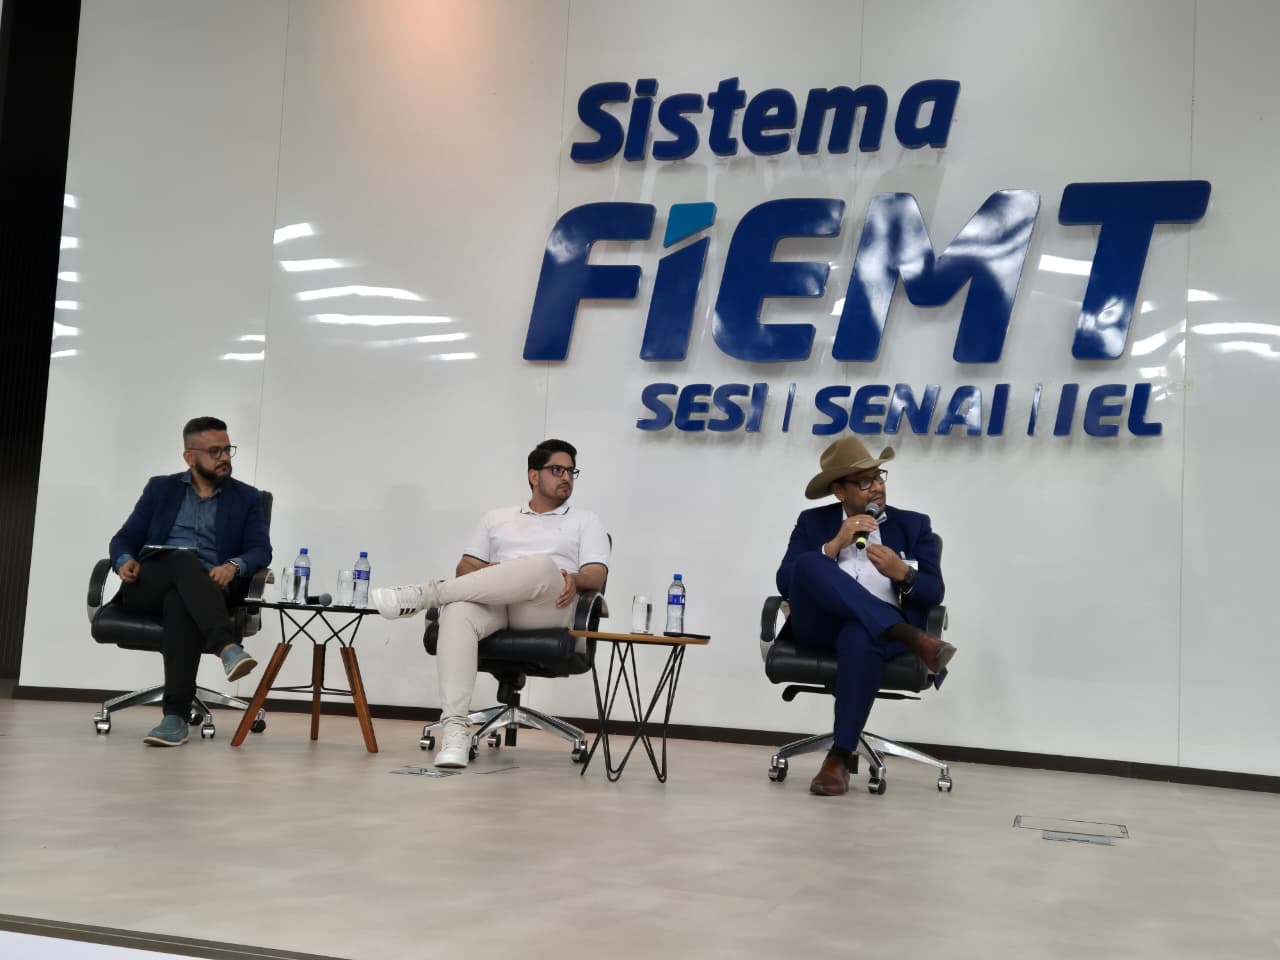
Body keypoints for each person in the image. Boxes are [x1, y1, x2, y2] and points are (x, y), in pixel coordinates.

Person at [372, 438, 609, 768]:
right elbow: (465, 569)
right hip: (497, 604)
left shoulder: (586, 520)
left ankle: (425, 595)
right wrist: (500, 572)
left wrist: (572, 578)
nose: (566, 477)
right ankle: (455, 732)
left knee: (541, 566)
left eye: (571, 471)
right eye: (557, 470)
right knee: (457, 612)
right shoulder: (497, 518)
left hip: (547, 606)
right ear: (533, 475)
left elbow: (596, 575)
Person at [776, 437, 956, 797]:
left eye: (879, 477)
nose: (877, 486)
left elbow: (934, 591)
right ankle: (908, 635)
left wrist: (903, 572)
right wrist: (834, 545)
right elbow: (785, 581)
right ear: (839, 491)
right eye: (864, 481)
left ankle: (839, 758)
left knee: (860, 632)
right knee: (810, 561)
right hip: (819, 628)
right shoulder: (813, 522)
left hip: (873, 638)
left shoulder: (913, 525)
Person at [108, 417, 273, 747]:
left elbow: (260, 549)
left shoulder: (245, 497)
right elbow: (125, 537)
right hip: (148, 585)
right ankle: (226, 647)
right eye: (215, 451)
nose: (224, 457)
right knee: (183, 559)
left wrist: (234, 566)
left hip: (206, 589)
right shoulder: (160, 489)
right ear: (189, 456)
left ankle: (175, 718)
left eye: (227, 449)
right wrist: (124, 560)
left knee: (180, 601)